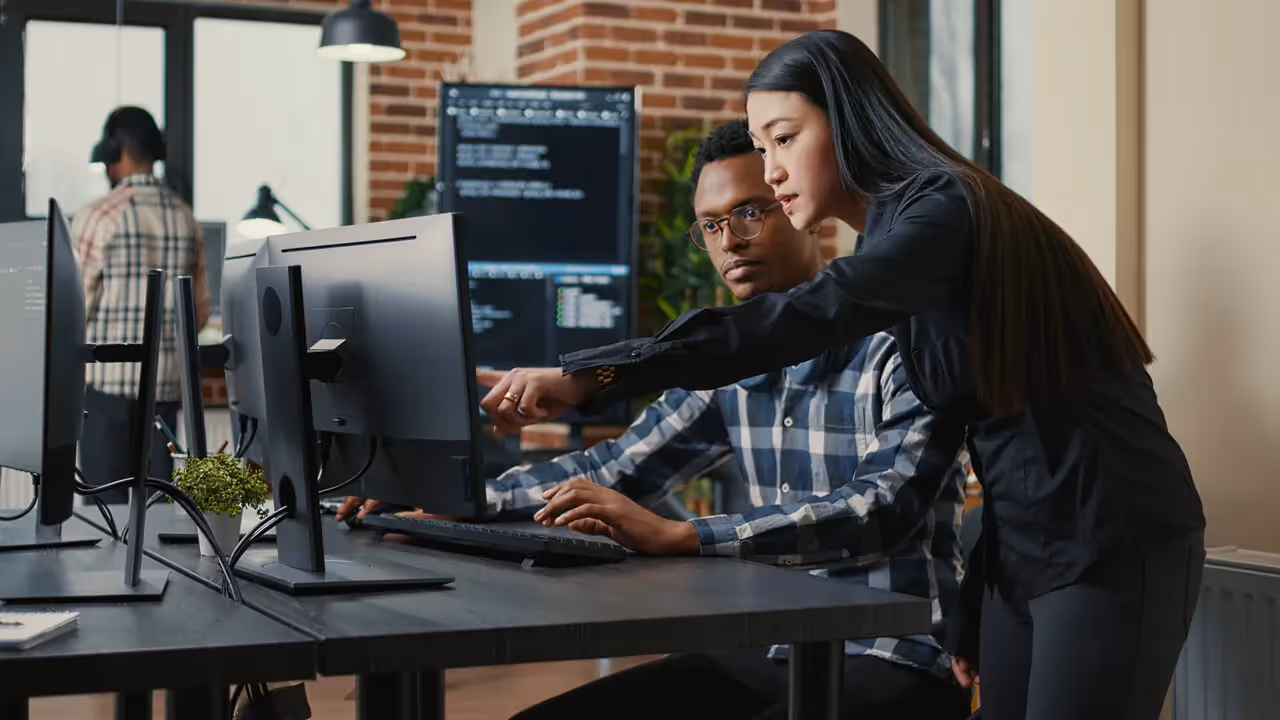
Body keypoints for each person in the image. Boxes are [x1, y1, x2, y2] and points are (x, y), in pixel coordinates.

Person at [478, 30, 1206, 720]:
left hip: (1113, 534)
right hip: (1022, 549)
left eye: (785, 139)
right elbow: (1009, 436)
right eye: (763, 147)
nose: (772, 169)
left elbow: (808, 317)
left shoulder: (943, 211)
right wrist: (979, 591)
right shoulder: (904, 237)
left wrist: (592, 375)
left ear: (852, 121)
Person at [341, 119, 972, 720]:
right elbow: (613, 468)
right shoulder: (728, 362)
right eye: (711, 225)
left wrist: (686, 534)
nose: (730, 240)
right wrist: (450, 499)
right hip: (769, 647)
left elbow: (882, 507)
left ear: (800, 207)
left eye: (751, 212)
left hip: (896, 653)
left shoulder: (902, 339)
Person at [73, 106, 210, 503]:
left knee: (106, 520)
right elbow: (198, 315)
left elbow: (73, 313)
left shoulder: (98, 217)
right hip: (164, 395)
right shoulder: (187, 219)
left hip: (107, 394)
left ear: (114, 153)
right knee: (160, 521)